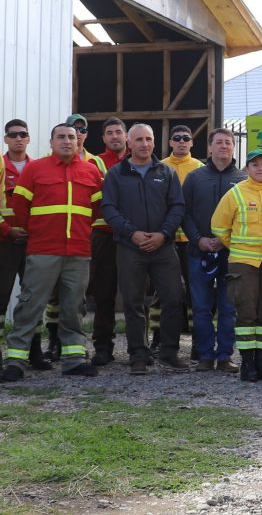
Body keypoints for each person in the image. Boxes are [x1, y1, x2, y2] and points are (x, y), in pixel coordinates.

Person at [0, 123, 103, 381]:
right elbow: (21, 206)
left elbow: (97, 209)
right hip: (43, 249)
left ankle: (74, 359)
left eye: (71, 137)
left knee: (73, 306)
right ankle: (16, 361)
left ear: (78, 141)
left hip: (78, 251)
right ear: (51, 142)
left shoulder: (91, 171)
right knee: (30, 305)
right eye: (61, 137)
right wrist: (38, 230)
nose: (67, 141)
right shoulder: (35, 169)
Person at [101, 124, 189, 375]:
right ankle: (138, 354)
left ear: (154, 142)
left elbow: (178, 207)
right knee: (133, 302)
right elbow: (109, 209)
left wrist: (163, 234)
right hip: (131, 247)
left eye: (148, 139)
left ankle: (169, 352)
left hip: (163, 247)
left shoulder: (167, 172)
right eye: (138, 139)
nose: (144, 144)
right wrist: (133, 233)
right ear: (129, 143)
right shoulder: (116, 174)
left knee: (174, 297)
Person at [211, 149, 262, 382]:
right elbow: (219, 226)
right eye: (255, 164)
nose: (260, 168)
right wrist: (237, 246)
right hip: (243, 262)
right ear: (247, 168)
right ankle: (247, 364)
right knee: (246, 313)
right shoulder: (235, 194)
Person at [182, 128, 245, 373]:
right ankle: (205, 355)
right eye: (218, 142)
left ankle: (225, 356)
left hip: (232, 255)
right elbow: (183, 212)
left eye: (228, 143)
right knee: (201, 307)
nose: (224, 147)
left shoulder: (242, 180)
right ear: (209, 148)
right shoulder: (195, 178)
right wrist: (198, 240)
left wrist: (225, 241)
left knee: (228, 308)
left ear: (233, 147)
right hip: (199, 252)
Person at [41, 113, 96, 358]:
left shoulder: (95, 164)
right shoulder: (42, 164)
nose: (76, 135)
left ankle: (73, 349)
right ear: (54, 140)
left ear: (83, 135)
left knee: (76, 297)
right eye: (69, 131)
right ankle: (53, 340)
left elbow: (98, 205)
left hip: (80, 240)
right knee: (52, 296)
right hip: (49, 243)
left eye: (80, 130)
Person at [153, 125, 204, 353]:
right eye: (177, 138)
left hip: (192, 240)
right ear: (170, 142)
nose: (182, 141)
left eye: (186, 138)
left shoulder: (200, 169)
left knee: (196, 291)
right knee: (160, 292)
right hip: (167, 239)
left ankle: (196, 341)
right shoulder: (160, 167)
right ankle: (157, 337)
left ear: (192, 143)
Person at [0, 119, 44, 368]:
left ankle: (35, 351)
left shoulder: (38, 168)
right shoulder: (0, 166)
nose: (18, 138)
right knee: (1, 296)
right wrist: (7, 230)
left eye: (23, 134)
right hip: (4, 242)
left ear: (29, 139)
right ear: (6, 139)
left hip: (32, 241)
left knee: (33, 297)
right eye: (13, 134)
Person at [85, 117, 129, 366]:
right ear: (103, 139)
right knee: (103, 292)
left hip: (133, 235)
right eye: (109, 133)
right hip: (104, 234)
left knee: (135, 295)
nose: (114, 137)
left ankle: (139, 347)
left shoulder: (140, 160)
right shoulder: (94, 163)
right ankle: (103, 346)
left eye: (118, 132)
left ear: (126, 136)